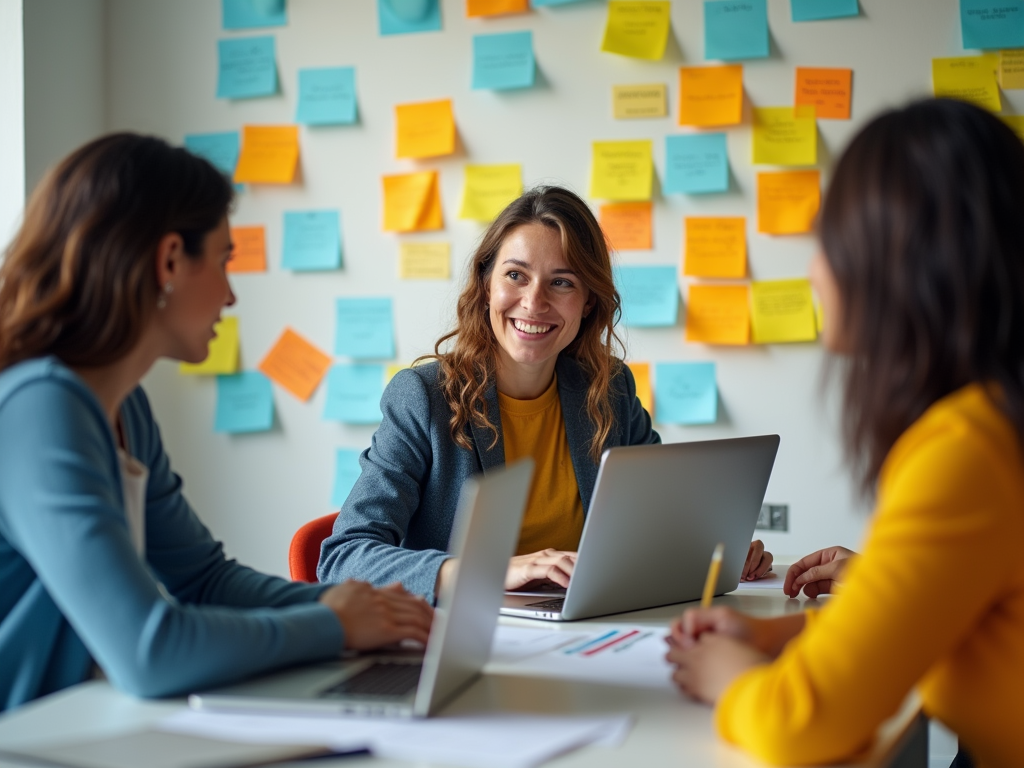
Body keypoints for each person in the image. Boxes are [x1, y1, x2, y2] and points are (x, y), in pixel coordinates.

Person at [0, 133, 433, 712]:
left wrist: (357, 607)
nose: (230, 295)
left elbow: (205, 581)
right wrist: (334, 625)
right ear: (170, 260)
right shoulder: (40, 406)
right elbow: (149, 652)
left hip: (76, 724)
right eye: (225, 260)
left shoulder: (124, 407)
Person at [665, 98, 1024, 768]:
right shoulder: (999, 421)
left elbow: (800, 723)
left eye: (829, 238)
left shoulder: (969, 450)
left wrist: (730, 678)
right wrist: (783, 635)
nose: (813, 271)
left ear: (902, 261)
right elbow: (940, 614)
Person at [318, 186, 774, 601]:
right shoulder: (423, 397)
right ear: (486, 286)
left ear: (587, 302)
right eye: (516, 275)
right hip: (459, 646)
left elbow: (658, 521)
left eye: (562, 282)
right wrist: (485, 572)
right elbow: (343, 558)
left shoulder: (608, 391)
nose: (534, 302)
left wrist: (717, 549)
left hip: (580, 633)